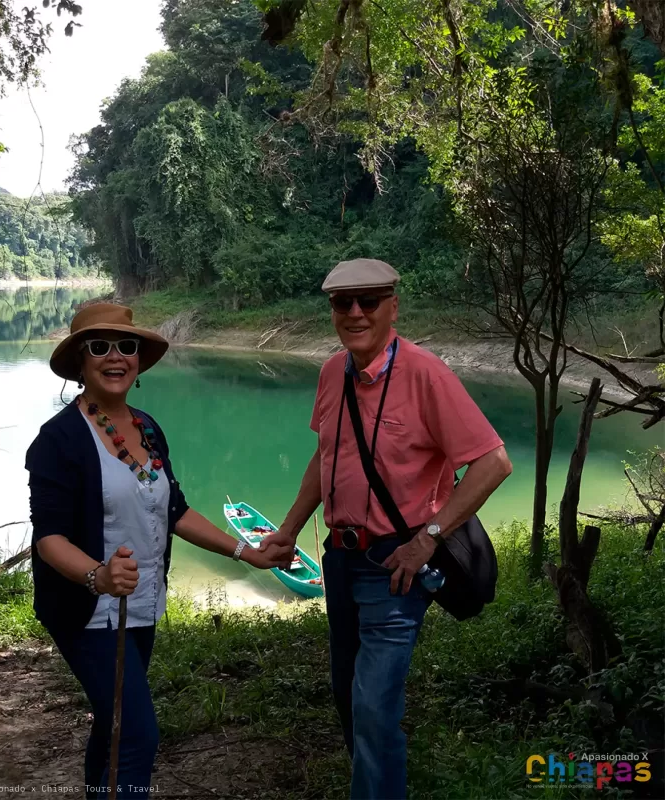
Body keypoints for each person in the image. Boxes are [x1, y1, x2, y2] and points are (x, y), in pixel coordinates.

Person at [260, 259, 512, 800]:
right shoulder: (333, 373)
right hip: (339, 559)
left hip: (397, 565)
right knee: (349, 697)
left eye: (368, 300)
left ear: (392, 306)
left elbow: (493, 462)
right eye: (341, 303)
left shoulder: (426, 374)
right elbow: (325, 457)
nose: (354, 313)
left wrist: (428, 539)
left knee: (373, 706)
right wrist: (289, 528)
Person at [25, 303, 293, 799]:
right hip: (86, 611)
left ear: (139, 360)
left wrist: (245, 551)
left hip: (142, 603)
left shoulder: (147, 429)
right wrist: (97, 577)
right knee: (137, 733)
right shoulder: (58, 440)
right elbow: (49, 539)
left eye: (126, 346)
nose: (115, 356)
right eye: (99, 347)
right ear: (81, 362)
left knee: (114, 722)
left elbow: (175, 511)